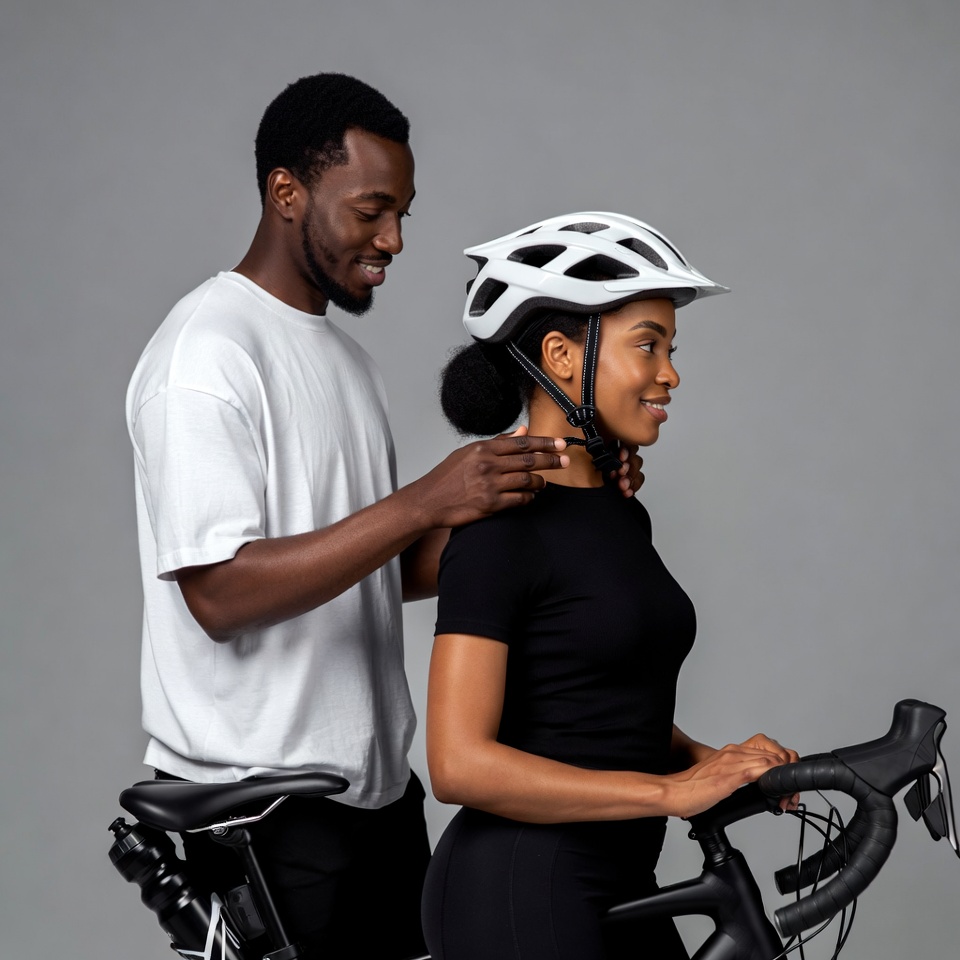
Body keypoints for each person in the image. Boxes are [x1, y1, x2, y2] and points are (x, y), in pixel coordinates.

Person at [126, 77, 641, 959]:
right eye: (371, 211)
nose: (394, 240)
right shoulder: (205, 353)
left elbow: (375, 569)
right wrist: (422, 502)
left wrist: (551, 486)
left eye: (403, 212)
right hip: (263, 810)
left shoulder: (346, 361)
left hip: (375, 797)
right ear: (287, 193)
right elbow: (217, 590)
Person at [420, 212, 799, 960]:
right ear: (562, 357)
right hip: (520, 888)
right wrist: (670, 793)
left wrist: (707, 761)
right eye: (647, 345)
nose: (670, 373)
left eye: (670, 347)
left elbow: (589, 702)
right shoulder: (499, 531)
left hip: (619, 881)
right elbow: (456, 762)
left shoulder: (621, 514)